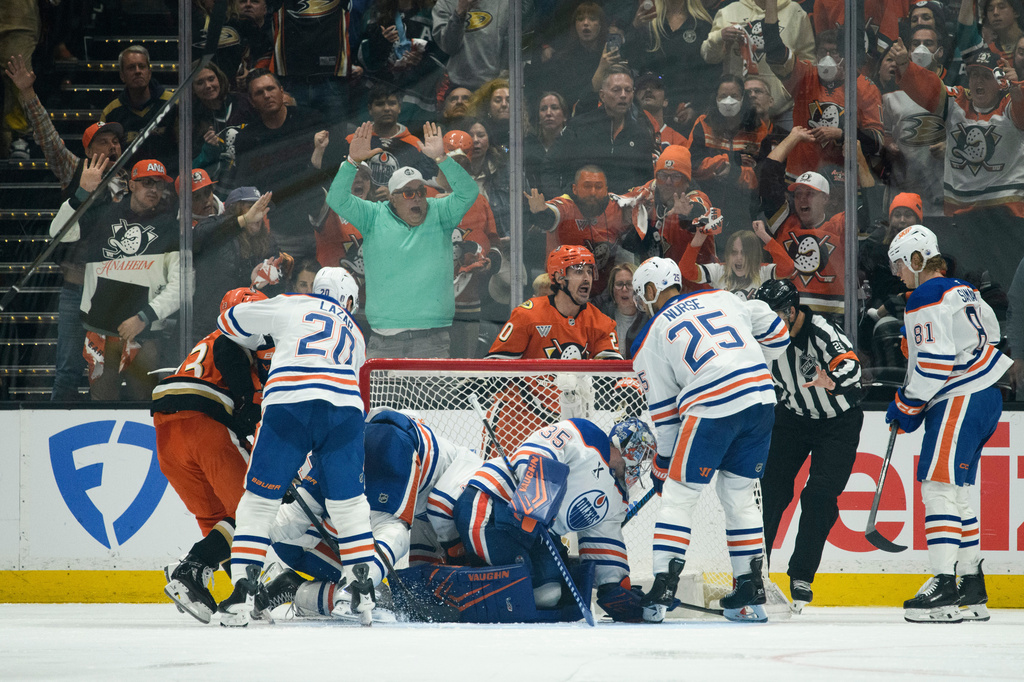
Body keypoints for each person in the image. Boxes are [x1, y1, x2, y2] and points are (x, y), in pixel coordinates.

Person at [630, 257, 790, 623]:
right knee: (739, 494)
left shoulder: (650, 335)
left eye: (643, 297)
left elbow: (666, 414)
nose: (643, 305)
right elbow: (778, 332)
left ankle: (663, 585)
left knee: (679, 495)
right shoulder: (724, 297)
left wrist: (664, 463)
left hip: (712, 406)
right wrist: (750, 363)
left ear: (652, 291)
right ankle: (750, 587)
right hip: (761, 399)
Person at [215, 267, 377, 626]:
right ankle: (362, 592)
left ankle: (243, 592)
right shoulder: (356, 332)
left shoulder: (291, 302)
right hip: (345, 411)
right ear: (348, 300)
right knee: (349, 505)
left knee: (259, 501)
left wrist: (266, 339)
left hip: (292, 401)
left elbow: (229, 320)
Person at [885, 225, 1009, 623]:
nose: (899, 274)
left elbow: (936, 365)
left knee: (937, 485)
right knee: (957, 492)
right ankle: (972, 586)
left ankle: (943, 584)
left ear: (917, 260)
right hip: (987, 395)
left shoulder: (925, 294)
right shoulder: (965, 289)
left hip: (962, 395)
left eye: (901, 265)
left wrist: (907, 403)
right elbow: (991, 333)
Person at [264, 409, 483, 619]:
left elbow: (292, 518)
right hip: (304, 543)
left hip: (427, 499)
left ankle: (297, 589)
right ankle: (351, 587)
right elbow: (295, 517)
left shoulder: (383, 444)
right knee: (389, 594)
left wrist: (248, 540)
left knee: (405, 592)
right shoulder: (359, 446)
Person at [6, 54, 127, 401]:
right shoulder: (74, 168)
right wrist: (28, 95)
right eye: (105, 141)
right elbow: (47, 136)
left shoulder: (133, 182)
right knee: (67, 371)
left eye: (116, 141)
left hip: (115, 286)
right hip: (77, 287)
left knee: (112, 373)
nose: (113, 146)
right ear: (88, 149)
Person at [453, 416, 656, 622]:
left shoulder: (616, 498)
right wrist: (537, 492)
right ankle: (453, 589)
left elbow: (603, 541)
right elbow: (539, 447)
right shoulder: (588, 435)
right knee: (516, 589)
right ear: (631, 448)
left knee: (549, 595)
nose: (642, 466)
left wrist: (613, 587)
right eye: (643, 457)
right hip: (494, 504)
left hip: (538, 534)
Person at [156, 287, 269, 624]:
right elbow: (250, 411)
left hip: (165, 431)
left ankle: (240, 589)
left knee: (219, 517)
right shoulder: (236, 344)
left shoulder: (208, 342)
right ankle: (192, 567)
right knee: (253, 512)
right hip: (206, 427)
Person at [754, 278, 863, 613]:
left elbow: (852, 366)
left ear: (790, 311)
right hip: (793, 417)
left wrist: (833, 379)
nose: (765, 325)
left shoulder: (821, 331)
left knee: (818, 495)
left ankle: (801, 574)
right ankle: (756, 573)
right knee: (770, 491)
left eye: (772, 316)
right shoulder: (762, 338)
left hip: (838, 423)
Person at [327, 121, 478, 358]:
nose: (417, 198)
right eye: (408, 193)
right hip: (384, 343)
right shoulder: (373, 216)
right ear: (393, 198)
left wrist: (441, 159)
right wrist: (352, 163)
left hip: (433, 341)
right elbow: (337, 199)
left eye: (420, 192)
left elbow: (469, 192)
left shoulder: (440, 212)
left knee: (434, 398)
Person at [890, 39, 1024, 290]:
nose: (978, 82)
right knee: (965, 286)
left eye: (985, 76)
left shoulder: (1010, 106)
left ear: (1000, 82)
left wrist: (1017, 87)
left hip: (1007, 216)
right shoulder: (957, 101)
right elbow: (928, 88)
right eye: (973, 75)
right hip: (963, 218)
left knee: (1007, 289)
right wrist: (904, 65)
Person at [49, 157, 181, 401]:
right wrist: (80, 194)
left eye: (159, 184)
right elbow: (58, 234)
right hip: (101, 331)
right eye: (146, 182)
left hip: (144, 332)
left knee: (147, 406)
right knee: (102, 402)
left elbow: (182, 283)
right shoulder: (104, 214)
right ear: (131, 185)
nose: (154, 189)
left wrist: (145, 316)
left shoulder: (169, 225)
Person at [762, 18, 884, 179]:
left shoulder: (866, 88)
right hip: (800, 175)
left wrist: (841, 134)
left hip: (842, 181)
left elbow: (876, 142)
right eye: (822, 52)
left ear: (846, 55)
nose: (828, 58)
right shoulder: (805, 75)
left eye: (834, 52)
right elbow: (776, 52)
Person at [231, 68, 324, 260]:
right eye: (259, 92)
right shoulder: (247, 139)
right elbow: (247, 186)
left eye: (270, 89)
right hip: (280, 228)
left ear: (282, 92)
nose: (266, 95)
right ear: (251, 101)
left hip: (323, 221)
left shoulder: (312, 121)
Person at [759, 127, 848, 320]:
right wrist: (793, 138)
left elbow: (863, 213)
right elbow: (767, 177)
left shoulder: (839, 225)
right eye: (798, 194)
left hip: (833, 317)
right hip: (787, 316)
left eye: (810, 194)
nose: (802, 200)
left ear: (825, 199)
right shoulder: (785, 222)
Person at [487, 246, 622, 361]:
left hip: (578, 392)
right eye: (579, 272)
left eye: (589, 272)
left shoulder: (601, 323)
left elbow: (613, 374)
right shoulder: (527, 315)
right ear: (559, 277)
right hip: (528, 392)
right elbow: (495, 369)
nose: (587, 278)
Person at [545, 65, 658, 195]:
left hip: (623, 212)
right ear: (602, 95)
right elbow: (550, 165)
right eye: (616, 90)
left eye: (628, 90)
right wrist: (560, 203)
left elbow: (646, 181)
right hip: (582, 211)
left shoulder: (640, 133)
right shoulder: (580, 126)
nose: (623, 95)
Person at [701, 0, 816, 124]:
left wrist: (792, 94)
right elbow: (709, 57)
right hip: (738, 114)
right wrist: (719, 37)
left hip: (784, 111)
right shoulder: (728, 12)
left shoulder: (795, 12)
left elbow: (808, 61)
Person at [525, 164, 635, 292]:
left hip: (605, 292)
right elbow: (551, 215)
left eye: (598, 187)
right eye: (587, 186)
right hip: (565, 292)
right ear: (575, 189)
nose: (593, 192)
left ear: (606, 190)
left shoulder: (616, 206)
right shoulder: (566, 206)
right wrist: (540, 212)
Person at [192, 186, 278, 341]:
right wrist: (243, 221)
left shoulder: (268, 243)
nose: (257, 214)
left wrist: (256, 283)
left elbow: (275, 294)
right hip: (204, 327)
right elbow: (200, 236)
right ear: (234, 209)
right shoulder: (215, 227)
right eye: (251, 208)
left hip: (243, 330)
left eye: (261, 208)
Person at [687, 74, 768, 232]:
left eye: (734, 96)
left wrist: (735, 172)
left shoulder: (758, 128)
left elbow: (762, 174)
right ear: (715, 98)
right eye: (723, 96)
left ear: (743, 98)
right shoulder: (703, 124)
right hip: (707, 206)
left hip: (745, 209)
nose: (728, 101)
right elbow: (692, 166)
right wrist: (726, 160)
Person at [878, 30, 947, 217]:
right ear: (909, 51)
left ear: (939, 51)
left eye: (928, 43)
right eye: (916, 43)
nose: (921, 49)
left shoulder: (950, 91)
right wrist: (888, 145)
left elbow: (964, 133)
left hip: (940, 194)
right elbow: (883, 134)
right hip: (903, 192)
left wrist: (949, 146)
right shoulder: (890, 95)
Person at [618, 145, 719, 270]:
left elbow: (702, 209)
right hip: (659, 283)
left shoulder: (697, 198)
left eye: (676, 176)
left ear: (687, 181)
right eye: (663, 175)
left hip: (697, 284)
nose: (668, 182)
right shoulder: (649, 191)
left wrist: (686, 216)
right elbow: (618, 201)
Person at [626, 0, 716, 135]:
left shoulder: (702, 25)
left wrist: (696, 107)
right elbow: (631, 60)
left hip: (686, 106)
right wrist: (635, 27)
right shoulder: (649, 22)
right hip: (650, 105)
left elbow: (709, 72)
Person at [100, 45, 178, 172]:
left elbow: (186, 147)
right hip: (128, 183)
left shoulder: (173, 103)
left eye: (142, 66)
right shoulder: (110, 112)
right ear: (122, 76)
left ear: (149, 72)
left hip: (169, 179)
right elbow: (105, 155)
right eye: (131, 68)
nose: (137, 71)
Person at [680, 223, 795, 299]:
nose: (739, 258)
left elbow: (787, 268)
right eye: (734, 252)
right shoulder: (719, 271)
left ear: (753, 255)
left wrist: (763, 235)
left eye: (745, 253)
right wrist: (699, 239)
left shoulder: (763, 271)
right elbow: (687, 270)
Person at [431, 0, 524, 89]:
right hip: (455, 86)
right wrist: (459, 13)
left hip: (492, 87)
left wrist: (501, 86)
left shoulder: (507, 4)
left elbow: (511, 52)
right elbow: (449, 47)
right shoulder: (446, 3)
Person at [596, 262, 648, 360]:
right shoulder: (602, 316)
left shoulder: (649, 318)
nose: (624, 289)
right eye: (619, 284)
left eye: (629, 284)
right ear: (612, 290)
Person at [636, 72, 689, 150]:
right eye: (643, 88)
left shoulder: (679, 141)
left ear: (665, 101)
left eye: (655, 87)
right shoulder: (628, 134)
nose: (648, 90)